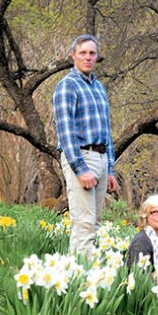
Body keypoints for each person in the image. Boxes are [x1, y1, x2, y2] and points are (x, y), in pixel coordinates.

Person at [53, 34, 118, 254]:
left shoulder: (99, 88)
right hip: (81, 157)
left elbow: (107, 131)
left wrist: (110, 169)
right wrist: (80, 169)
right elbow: (65, 133)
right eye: (83, 53)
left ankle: (89, 278)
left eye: (92, 53)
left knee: (95, 223)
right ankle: (80, 280)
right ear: (73, 55)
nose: (88, 57)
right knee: (84, 223)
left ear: (97, 56)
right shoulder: (67, 86)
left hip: (101, 158)